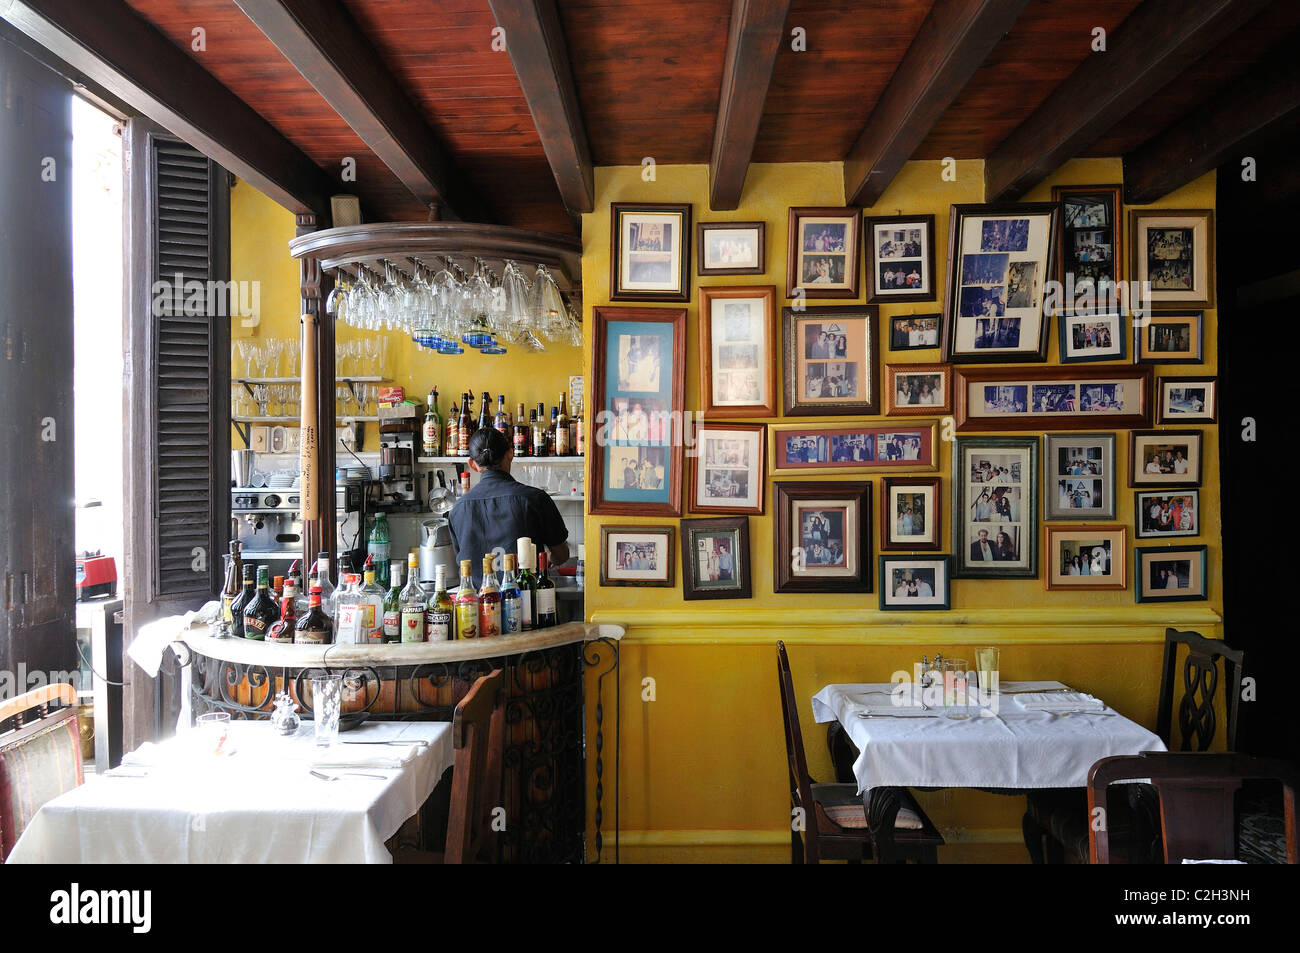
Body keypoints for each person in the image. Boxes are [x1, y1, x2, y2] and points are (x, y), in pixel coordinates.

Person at [448, 428, 570, 589]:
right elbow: (561, 555)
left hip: (476, 609)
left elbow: (462, 559)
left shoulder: (457, 509)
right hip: (526, 603)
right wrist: (549, 558)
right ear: (510, 453)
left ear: (472, 464)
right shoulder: (535, 499)